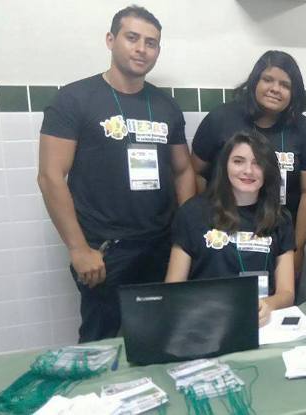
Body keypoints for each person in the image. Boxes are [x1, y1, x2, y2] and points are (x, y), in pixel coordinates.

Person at [37, 6, 195, 342]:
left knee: (162, 338)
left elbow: (183, 170)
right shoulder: (74, 99)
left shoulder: (165, 106)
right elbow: (50, 176)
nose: (141, 49)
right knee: (100, 344)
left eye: (151, 43)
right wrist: (79, 249)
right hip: (105, 252)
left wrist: (185, 233)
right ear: (111, 40)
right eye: (132, 38)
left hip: (161, 246)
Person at [191, 50, 306, 278]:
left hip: (277, 239)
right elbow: (195, 172)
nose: (275, 89)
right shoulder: (221, 119)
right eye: (268, 79)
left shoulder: (303, 130)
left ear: (294, 92)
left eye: (285, 84)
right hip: (221, 239)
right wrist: (201, 224)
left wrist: (297, 247)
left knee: (278, 297)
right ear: (254, 82)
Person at [166, 131, 295, 327]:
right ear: (224, 165)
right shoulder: (192, 213)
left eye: (258, 163)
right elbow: (173, 288)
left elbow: (287, 293)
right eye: (238, 161)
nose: (248, 171)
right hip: (206, 321)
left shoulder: (280, 218)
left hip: (260, 322)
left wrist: (268, 305)